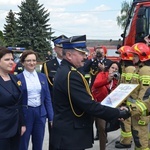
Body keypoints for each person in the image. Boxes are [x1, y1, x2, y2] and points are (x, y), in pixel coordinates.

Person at [50, 35, 130, 150]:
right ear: (69, 55)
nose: (85, 56)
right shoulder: (71, 75)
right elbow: (89, 105)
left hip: (68, 134)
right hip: (70, 137)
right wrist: (117, 113)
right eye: (81, 54)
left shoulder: (66, 71)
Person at [17, 50, 54, 150]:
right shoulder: (17, 79)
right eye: (28, 60)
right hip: (26, 113)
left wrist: (51, 117)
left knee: (38, 142)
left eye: (34, 60)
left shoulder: (42, 77)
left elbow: (47, 98)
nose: (32, 63)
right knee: (23, 143)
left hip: (40, 113)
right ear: (23, 62)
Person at [41, 35, 68, 150]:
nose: (62, 50)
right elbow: (46, 88)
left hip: (69, 105)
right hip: (54, 106)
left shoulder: (72, 64)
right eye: (60, 47)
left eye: (64, 47)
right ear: (55, 49)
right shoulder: (48, 65)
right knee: (54, 136)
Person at [0, 46, 26, 150]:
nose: (11, 62)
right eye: (7, 59)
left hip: (16, 128)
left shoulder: (14, 78)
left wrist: (22, 123)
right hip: (2, 129)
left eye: (12, 59)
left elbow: (19, 104)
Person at [91, 61, 121, 150]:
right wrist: (107, 79)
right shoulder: (102, 74)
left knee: (102, 129)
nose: (114, 70)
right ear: (109, 68)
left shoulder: (117, 80)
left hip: (104, 106)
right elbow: (96, 84)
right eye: (112, 68)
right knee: (87, 126)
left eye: (116, 69)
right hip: (94, 103)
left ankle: (102, 148)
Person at [126, 43, 150, 149]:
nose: (132, 58)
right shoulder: (139, 69)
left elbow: (145, 96)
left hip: (140, 113)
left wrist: (133, 109)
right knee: (138, 140)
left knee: (141, 142)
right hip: (135, 112)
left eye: (135, 55)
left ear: (142, 56)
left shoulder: (145, 70)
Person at [115, 46, 134, 148]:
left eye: (120, 55)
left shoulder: (129, 69)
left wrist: (122, 101)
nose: (119, 57)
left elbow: (127, 87)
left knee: (126, 122)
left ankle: (126, 142)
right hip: (125, 100)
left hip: (127, 101)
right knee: (124, 122)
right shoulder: (125, 67)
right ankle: (124, 140)